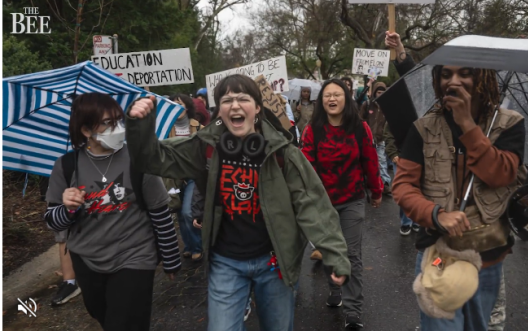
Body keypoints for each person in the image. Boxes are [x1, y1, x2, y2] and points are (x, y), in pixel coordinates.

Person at [125, 74, 350, 331]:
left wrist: (335, 254)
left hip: (275, 262)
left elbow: (313, 205)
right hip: (225, 263)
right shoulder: (205, 147)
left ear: (257, 108)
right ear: (219, 109)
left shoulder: (282, 152)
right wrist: (139, 125)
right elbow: (151, 160)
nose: (234, 105)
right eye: (227, 99)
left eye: (243, 98)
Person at [391, 49, 526, 330]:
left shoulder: (509, 124)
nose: (454, 81)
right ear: (437, 80)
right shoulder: (423, 128)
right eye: (446, 74)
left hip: (487, 257)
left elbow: (500, 174)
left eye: (466, 73)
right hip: (438, 253)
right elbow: (403, 187)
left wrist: (467, 123)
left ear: (483, 79)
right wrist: (436, 214)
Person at [44, 93, 181, 331]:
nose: (117, 128)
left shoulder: (138, 158)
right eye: (108, 123)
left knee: (125, 323)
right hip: (87, 261)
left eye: (119, 120)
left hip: (135, 256)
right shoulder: (66, 166)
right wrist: (67, 209)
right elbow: (52, 222)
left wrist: (171, 259)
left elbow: (160, 212)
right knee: (104, 316)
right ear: (86, 130)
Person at [301, 78, 383, 330]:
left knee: (351, 254)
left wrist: (376, 190)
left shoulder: (360, 128)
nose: (332, 99)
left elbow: (370, 160)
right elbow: (305, 167)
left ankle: (353, 311)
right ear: (321, 100)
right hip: (322, 204)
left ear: (346, 98)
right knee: (329, 250)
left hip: (353, 200)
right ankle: (335, 288)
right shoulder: (312, 130)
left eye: (337, 94)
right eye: (327, 95)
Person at [167, 94, 204, 261]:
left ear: (187, 107)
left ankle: (198, 246)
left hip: (193, 176)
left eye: (179, 104)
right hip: (174, 177)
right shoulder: (166, 128)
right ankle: (188, 246)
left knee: (189, 212)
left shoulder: (198, 128)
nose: (176, 107)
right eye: (172, 104)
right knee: (180, 212)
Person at [383, 123, 419, 235]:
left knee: (419, 190)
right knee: (404, 191)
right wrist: (393, 153)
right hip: (401, 157)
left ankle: (417, 220)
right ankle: (406, 222)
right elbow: (388, 135)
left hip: (420, 158)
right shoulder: (396, 114)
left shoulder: (425, 111)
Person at [360, 82, 392, 194]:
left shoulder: (387, 106)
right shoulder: (368, 104)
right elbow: (361, 120)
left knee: (382, 162)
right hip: (368, 139)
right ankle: (366, 180)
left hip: (380, 139)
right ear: (374, 92)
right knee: (366, 161)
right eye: (379, 92)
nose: (381, 94)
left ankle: (385, 183)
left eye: (383, 92)